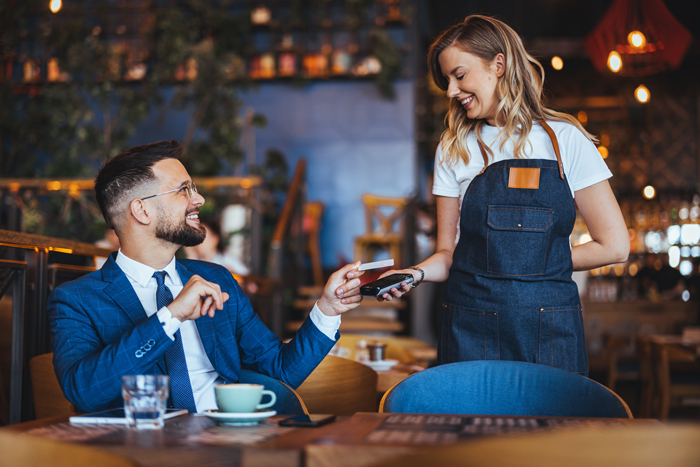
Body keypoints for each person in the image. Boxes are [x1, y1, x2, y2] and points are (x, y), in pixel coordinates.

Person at [377, 15, 629, 376]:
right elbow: (448, 253)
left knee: (553, 432)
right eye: (446, 80)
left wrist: (532, 262)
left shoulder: (565, 141)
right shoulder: (454, 148)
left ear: (499, 65)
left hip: (549, 330)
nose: (450, 91)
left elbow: (615, 246)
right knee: (471, 431)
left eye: (459, 75)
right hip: (469, 325)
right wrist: (413, 274)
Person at [48, 140, 364, 413]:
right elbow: (85, 391)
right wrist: (170, 316)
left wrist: (327, 309)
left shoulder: (218, 279)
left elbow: (280, 370)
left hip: (230, 442)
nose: (198, 200)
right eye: (184, 190)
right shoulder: (77, 299)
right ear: (141, 211)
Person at [184, 218, 250, 275]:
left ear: (215, 239)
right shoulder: (195, 262)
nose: (198, 242)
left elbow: (248, 280)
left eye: (202, 238)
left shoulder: (228, 261)